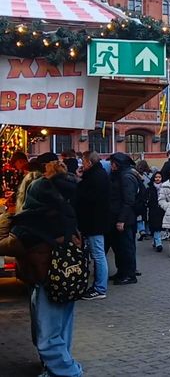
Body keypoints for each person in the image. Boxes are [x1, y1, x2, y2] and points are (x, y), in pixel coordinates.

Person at [10, 161, 84, 377]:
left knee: (47, 335)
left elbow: (13, 242)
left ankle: (69, 371)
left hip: (47, 278)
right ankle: (57, 369)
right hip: (68, 277)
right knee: (62, 328)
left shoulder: (35, 220)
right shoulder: (67, 209)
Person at [76, 151, 111, 300]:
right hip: (94, 222)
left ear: (90, 162)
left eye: (83, 162)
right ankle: (99, 286)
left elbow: (87, 198)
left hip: (94, 223)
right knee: (98, 255)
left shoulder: (95, 177)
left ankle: (100, 288)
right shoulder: (97, 175)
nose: (82, 165)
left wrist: (80, 182)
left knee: (98, 255)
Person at [108, 153, 139, 285]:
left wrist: (121, 220)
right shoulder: (120, 175)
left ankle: (130, 274)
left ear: (117, 164)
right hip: (119, 216)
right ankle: (121, 271)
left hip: (125, 219)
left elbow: (128, 200)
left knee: (126, 247)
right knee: (119, 247)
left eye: (112, 163)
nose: (111, 165)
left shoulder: (126, 177)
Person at [147, 172, 165, 252]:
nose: (158, 179)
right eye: (156, 177)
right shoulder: (150, 188)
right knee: (156, 226)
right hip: (152, 209)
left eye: (159, 177)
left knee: (159, 226)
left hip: (161, 209)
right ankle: (158, 243)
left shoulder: (165, 187)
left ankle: (155, 241)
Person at [135, 160, 152, 240]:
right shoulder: (150, 174)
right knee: (147, 216)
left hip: (140, 197)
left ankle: (142, 230)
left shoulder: (137, 175)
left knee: (139, 215)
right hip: (149, 197)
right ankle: (148, 232)